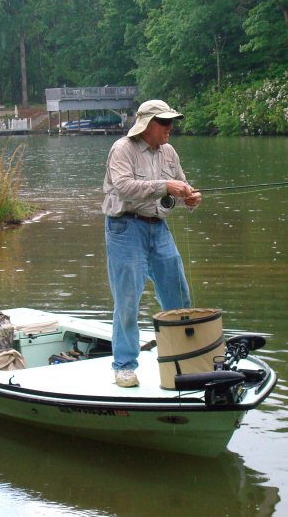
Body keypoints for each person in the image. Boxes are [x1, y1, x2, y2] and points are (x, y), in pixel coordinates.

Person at [101, 100, 202, 387]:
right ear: (147, 125)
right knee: (128, 298)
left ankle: (183, 357)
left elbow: (182, 185)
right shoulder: (123, 149)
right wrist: (166, 187)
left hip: (159, 228)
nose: (171, 128)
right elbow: (124, 188)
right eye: (165, 122)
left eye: (172, 122)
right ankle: (124, 366)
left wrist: (191, 197)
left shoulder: (169, 152)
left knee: (178, 293)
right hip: (125, 227)